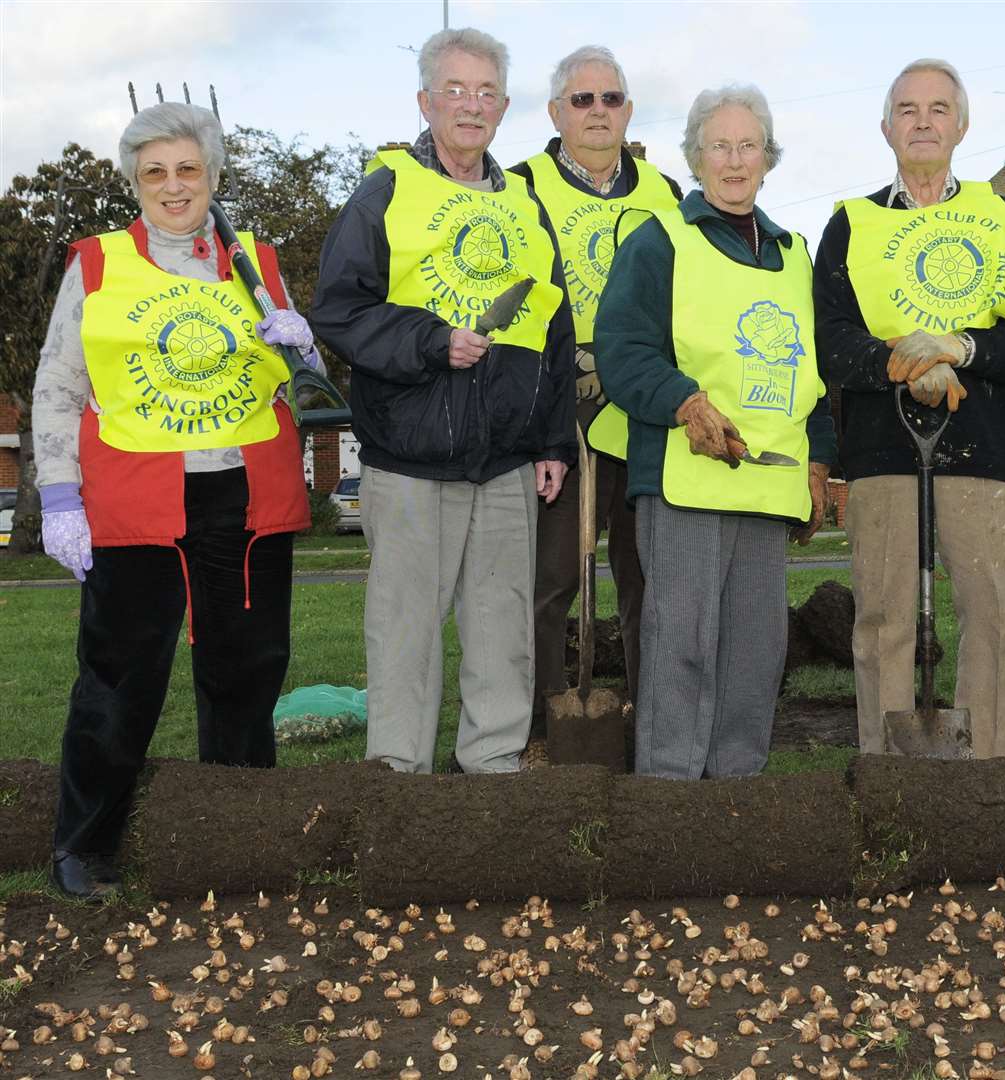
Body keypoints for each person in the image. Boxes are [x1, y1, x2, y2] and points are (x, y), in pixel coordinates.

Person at [33, 102, 313, 897]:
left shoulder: (255, 259)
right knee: (120, 679)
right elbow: (56, 387)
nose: (173, 185)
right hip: (134, 498)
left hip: (245, 494)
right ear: (134, 182)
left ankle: (239, 839)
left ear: (214, 176)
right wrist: (59, 495)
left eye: (188, 168)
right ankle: (84, 847)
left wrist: (301, 343)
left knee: (246, 673)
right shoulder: (94, 263)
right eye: (154, 171)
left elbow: (296, 377)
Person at [311, 27, 577, 775]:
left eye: (487, 92)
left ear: (504, 107)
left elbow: (553, 329)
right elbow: (339, 310)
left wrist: (554, 441)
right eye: (456, 90)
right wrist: (432, 340)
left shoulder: (526, 202)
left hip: (506, 462)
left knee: (502, 631)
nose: (472, 106)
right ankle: (396, 777)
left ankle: (492, 773)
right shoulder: (385, 193)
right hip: (410, 459)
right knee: (405, 629)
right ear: (426, 101)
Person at [595, 84, 836, 780]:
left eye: (748, 145)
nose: (735, 161)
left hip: (768, 485)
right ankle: (670, 792)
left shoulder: (794, 253)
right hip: (682, 481)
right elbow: (623, 350)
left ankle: (738, 793)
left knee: (758, 648)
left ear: (769, 157)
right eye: (720, 146)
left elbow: (812, 375)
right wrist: (684, 402)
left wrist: (819, 461)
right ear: (696, 158)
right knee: (681, 641)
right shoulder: (659, 241)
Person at [815, 59, 1005, 759]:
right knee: (884, 617)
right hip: (883, 448)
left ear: (962, 125)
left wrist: (962, 350)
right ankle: (888, 774)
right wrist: (903, 366)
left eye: (938, 109)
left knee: (987, 616)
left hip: (979, 444)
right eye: (908, 109)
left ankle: (985, 772)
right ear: (887, 127)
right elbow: (831, 337)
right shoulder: (850, 225)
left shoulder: (1001, 216)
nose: (923, 121)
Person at [509, 45, 683, 733]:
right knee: (553, 575)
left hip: (643, 402)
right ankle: (546, 719)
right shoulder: (520, 186)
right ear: (556, 112)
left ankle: (652, 715)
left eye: (611, 99)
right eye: (582, 100)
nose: (598, 112)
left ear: (629, 111)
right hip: (562, 400)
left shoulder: (665, 194)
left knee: (646, 573)